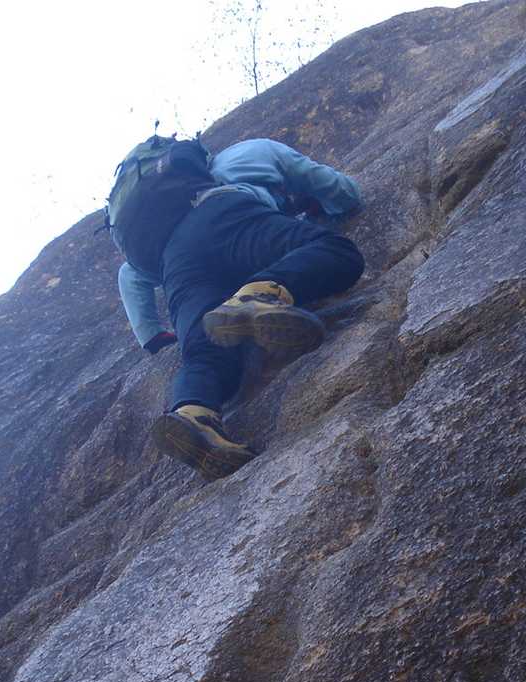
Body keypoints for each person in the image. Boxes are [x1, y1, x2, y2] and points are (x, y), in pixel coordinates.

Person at [116, 138, 365, 479]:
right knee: (336, 252)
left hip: (175, 260)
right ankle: (259, 295)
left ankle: (193, 414)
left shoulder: (157, 218)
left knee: (205, 351)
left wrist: (153, 336)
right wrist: (330, 204)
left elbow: (129, 274)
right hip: (227, 214)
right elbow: (339, 190)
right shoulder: (252, 151)